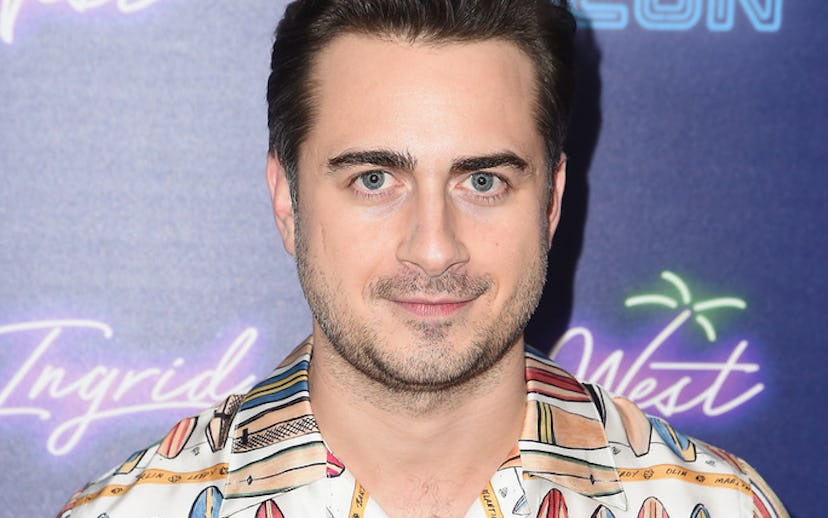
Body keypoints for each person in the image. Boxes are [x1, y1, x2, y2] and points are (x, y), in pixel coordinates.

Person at [58, 1, 789, 517]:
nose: (434, 247)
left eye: (483, 181)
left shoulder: (716, 507)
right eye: (375, 180)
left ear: (552, 202)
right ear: (287, 200)